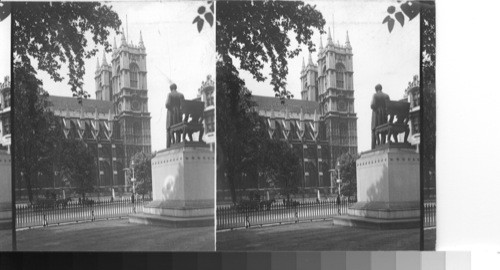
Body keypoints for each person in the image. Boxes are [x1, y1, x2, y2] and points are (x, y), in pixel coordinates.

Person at [370, 84, 390, 149]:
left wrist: (376, 110)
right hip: (384, 115)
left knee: (374, 130)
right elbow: (389, 106)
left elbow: (372, 105)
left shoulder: (375, 95)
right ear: (381, 88)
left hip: (376, 115)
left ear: (376, 89)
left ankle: (373, 147)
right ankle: (382, 145)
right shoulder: (386, 96)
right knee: (383, 132)